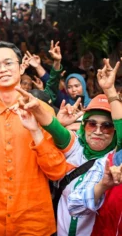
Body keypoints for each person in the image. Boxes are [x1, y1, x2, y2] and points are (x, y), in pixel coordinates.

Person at [0, 41, 67, 235]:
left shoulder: (43, 112)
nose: (3, 70)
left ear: (21, 67)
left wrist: (36, 132)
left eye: (9, 63)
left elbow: (57, 171)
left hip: (33, 223)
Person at [62, 58, 122, 235]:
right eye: (91, 124)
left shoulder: (111, 157)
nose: (98, 131)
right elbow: (75, 205)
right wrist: (102, 185)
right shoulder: (102, 161)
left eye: (107, 126)